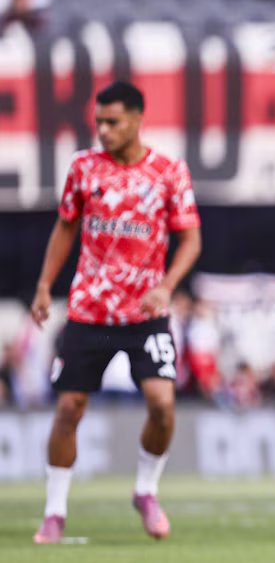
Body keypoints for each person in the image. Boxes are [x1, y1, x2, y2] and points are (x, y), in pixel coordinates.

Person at [29, 81, 202, 544]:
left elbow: (191, 238)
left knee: (163, 406)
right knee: (69, 408)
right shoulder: (84, 169)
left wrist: (166, 287)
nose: (103, 131)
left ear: (137, 119)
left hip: (146, 313)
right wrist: (46, 285)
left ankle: (145, 491)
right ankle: (54, 511)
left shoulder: (168, 172)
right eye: (99, 122)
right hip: (90, 311)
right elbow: (66, 226)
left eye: (113, 122)